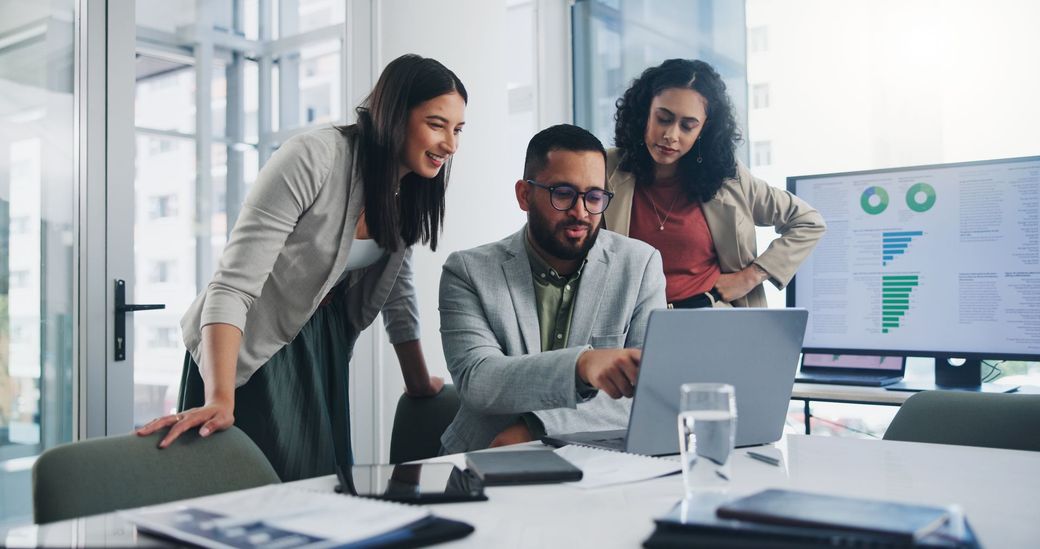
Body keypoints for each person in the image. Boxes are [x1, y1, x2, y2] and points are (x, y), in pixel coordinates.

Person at [136, 54, 467, 481]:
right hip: (249, 345)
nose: (451, 145)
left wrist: (418, 380)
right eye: (437, 125)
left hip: (319, 344)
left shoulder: (407, 188)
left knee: (320, 489)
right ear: (393, 116)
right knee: (267, 493)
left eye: (458, 130)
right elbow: (232, 285)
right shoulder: (315, 156)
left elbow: (394, 286)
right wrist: (220, 396)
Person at [438, 124, 667, 454]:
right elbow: (480, 380)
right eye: (563, 194)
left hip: (600, 462)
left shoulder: (640, 265)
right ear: (524, 195)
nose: (581, 212)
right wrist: (582, 366)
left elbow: (650, 390)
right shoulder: (468, 272)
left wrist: (535, 426)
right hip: (481, 457)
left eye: (594, 197)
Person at [604, 59, 825, 308]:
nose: (671, 135)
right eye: (663, 119)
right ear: (644, 112)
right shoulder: (603, 169)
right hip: (630, 326)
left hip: (713, 321)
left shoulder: (728, 178)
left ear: (704, 130)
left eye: (688, 126)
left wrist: (751, 276)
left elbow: (808, 222)